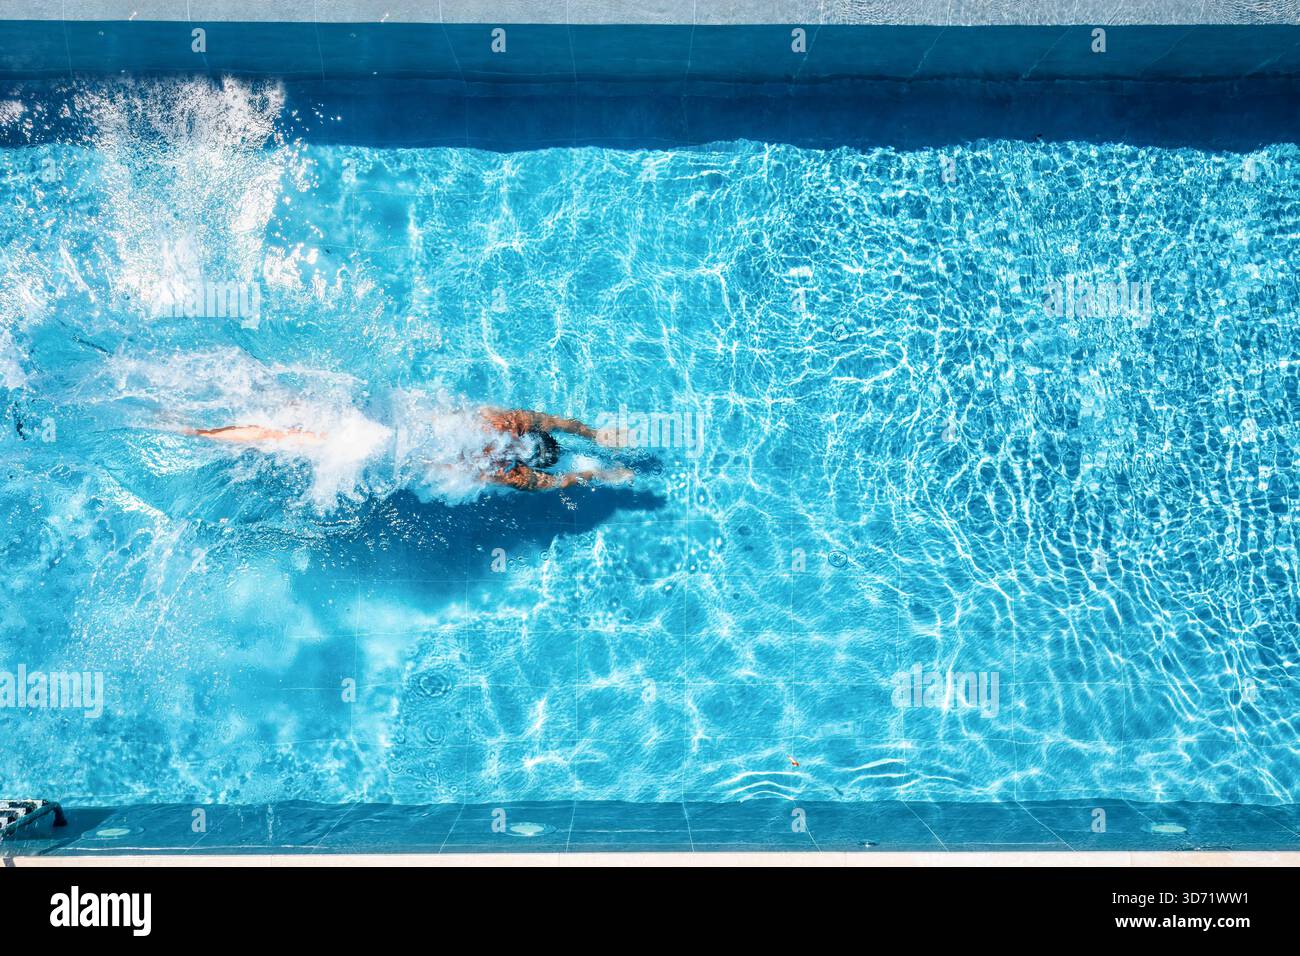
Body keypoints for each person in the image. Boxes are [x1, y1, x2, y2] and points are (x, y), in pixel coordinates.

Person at [185, 405, 633, 492]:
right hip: (377, 453)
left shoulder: (501, 421)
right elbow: (552, 482)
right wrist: (602, 472)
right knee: (285, 440)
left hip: (379, 424)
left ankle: (207, 432)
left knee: (289, 432)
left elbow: (553, 424)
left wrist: (596, 438)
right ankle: (202, 436)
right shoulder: (505, 468)